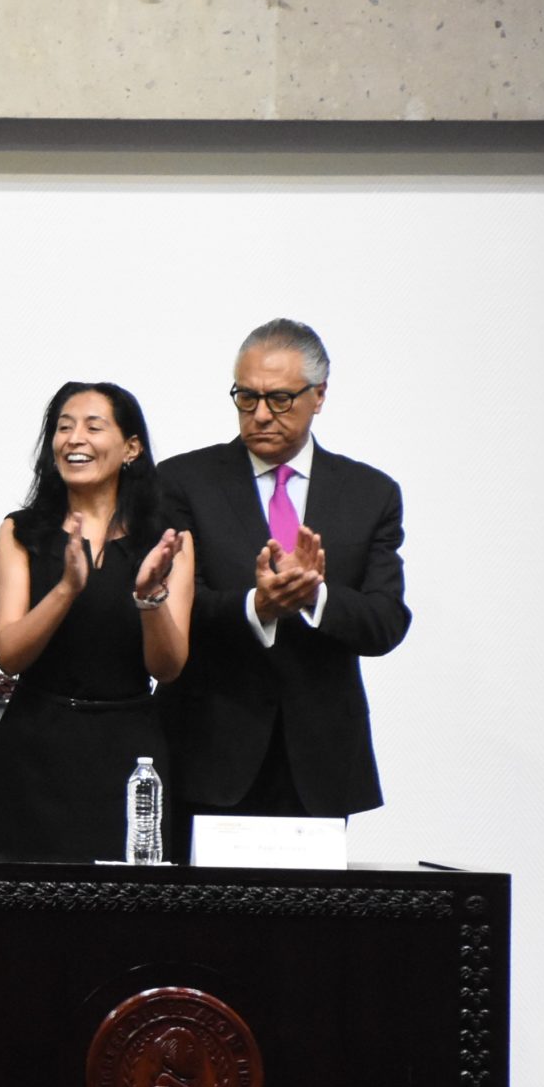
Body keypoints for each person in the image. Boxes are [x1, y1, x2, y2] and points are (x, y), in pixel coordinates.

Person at [157, 318, 410, 827]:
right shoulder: (184, 481)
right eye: (246, 398)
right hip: (206, 752)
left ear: (319, 395)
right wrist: (257, 606)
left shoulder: (369, 494)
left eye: (279, 399)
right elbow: (171, 605)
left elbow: (386, 621)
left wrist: (315, 597)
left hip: (319, 762)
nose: (260, 415)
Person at [0, 382, 193, 861]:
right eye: (63, 427)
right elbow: (9, 654)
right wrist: (66, 590)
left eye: (93, 427)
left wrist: (149, 598)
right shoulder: (21, 532)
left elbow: (168, 667)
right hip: (35, 747)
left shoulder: (165, 542)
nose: (74, 439)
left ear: (131, 448)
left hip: (131, 755)